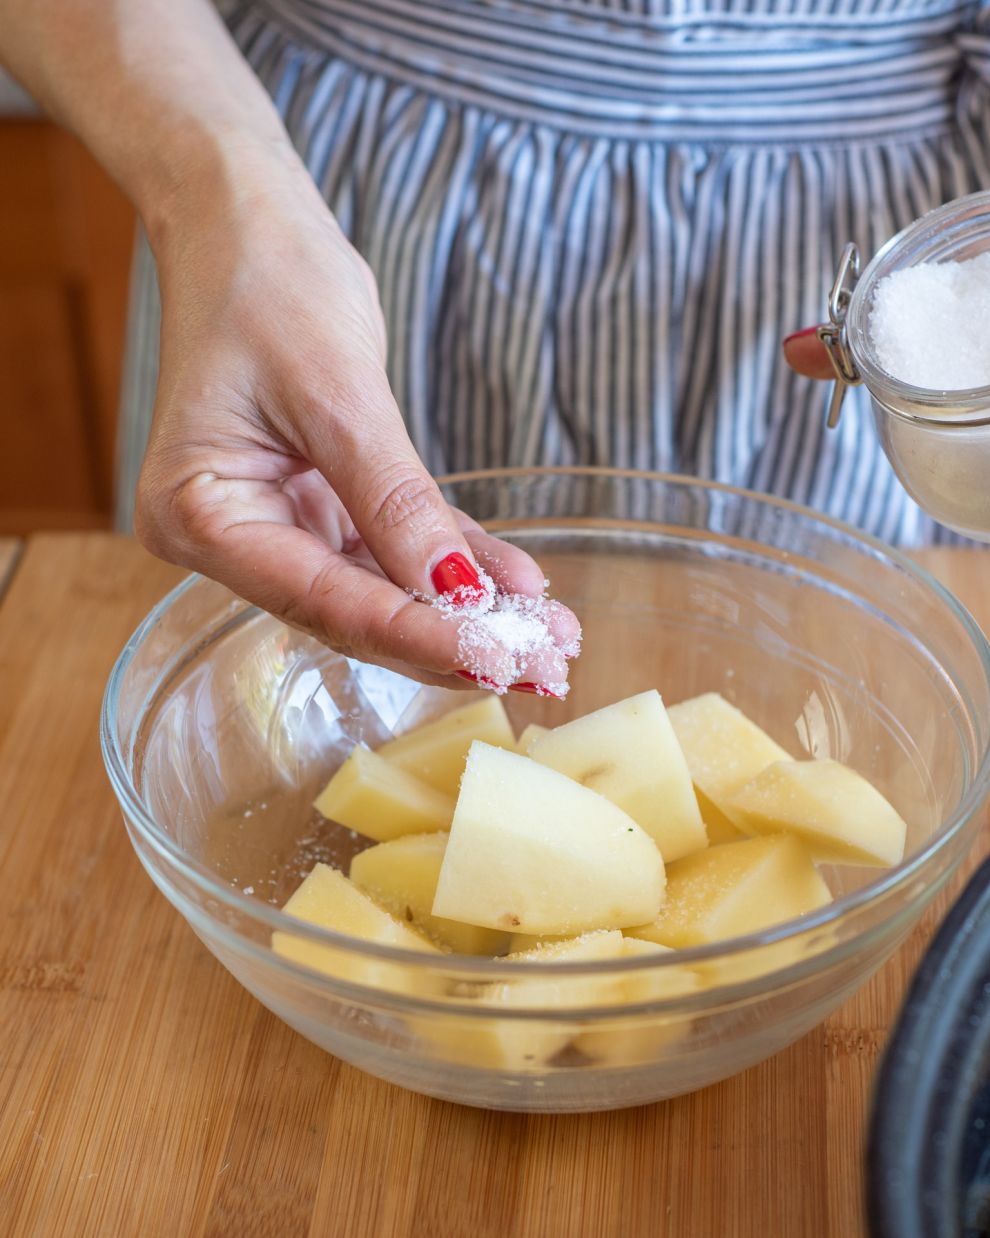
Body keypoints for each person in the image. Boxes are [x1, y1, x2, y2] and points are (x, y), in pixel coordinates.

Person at [2, 0, 987, 693]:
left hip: (893, 219)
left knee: (841, 708)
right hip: (305, 200)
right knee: (296, 688)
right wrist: (215, 198)